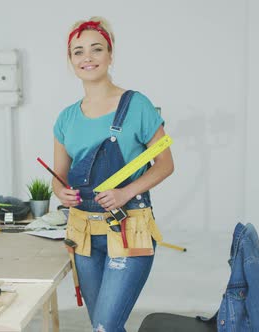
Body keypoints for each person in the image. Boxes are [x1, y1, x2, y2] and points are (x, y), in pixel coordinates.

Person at [52, 16, 174, 332]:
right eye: (78, 52)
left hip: (129, 228)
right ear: (70, 60)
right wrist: (59, 191)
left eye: (96, 49)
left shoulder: (137, 105)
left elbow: (165, 164)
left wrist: (125, 192)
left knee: (105, 327)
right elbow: (59, 176)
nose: (87, 58)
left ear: (110, 55)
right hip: (83, 235)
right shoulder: (66, 119)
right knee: (103, 328)